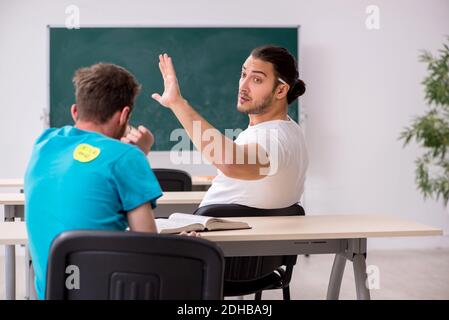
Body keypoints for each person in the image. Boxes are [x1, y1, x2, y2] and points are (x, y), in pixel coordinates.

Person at [25, 63, 163, 300]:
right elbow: (147, 247)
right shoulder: (127, 157)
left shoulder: (43, 144)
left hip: (50, 293)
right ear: (124, 115)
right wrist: (140, 153)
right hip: (106, 292)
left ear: (75, 111)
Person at [151, 45, 308, 209]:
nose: (243, 86)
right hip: (211, 229)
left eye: (257, 80)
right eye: (243, 74)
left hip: (216, 231)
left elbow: (231, 163)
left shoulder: (275, 137)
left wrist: (177, 103)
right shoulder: (289, 130)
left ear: (281, 90)